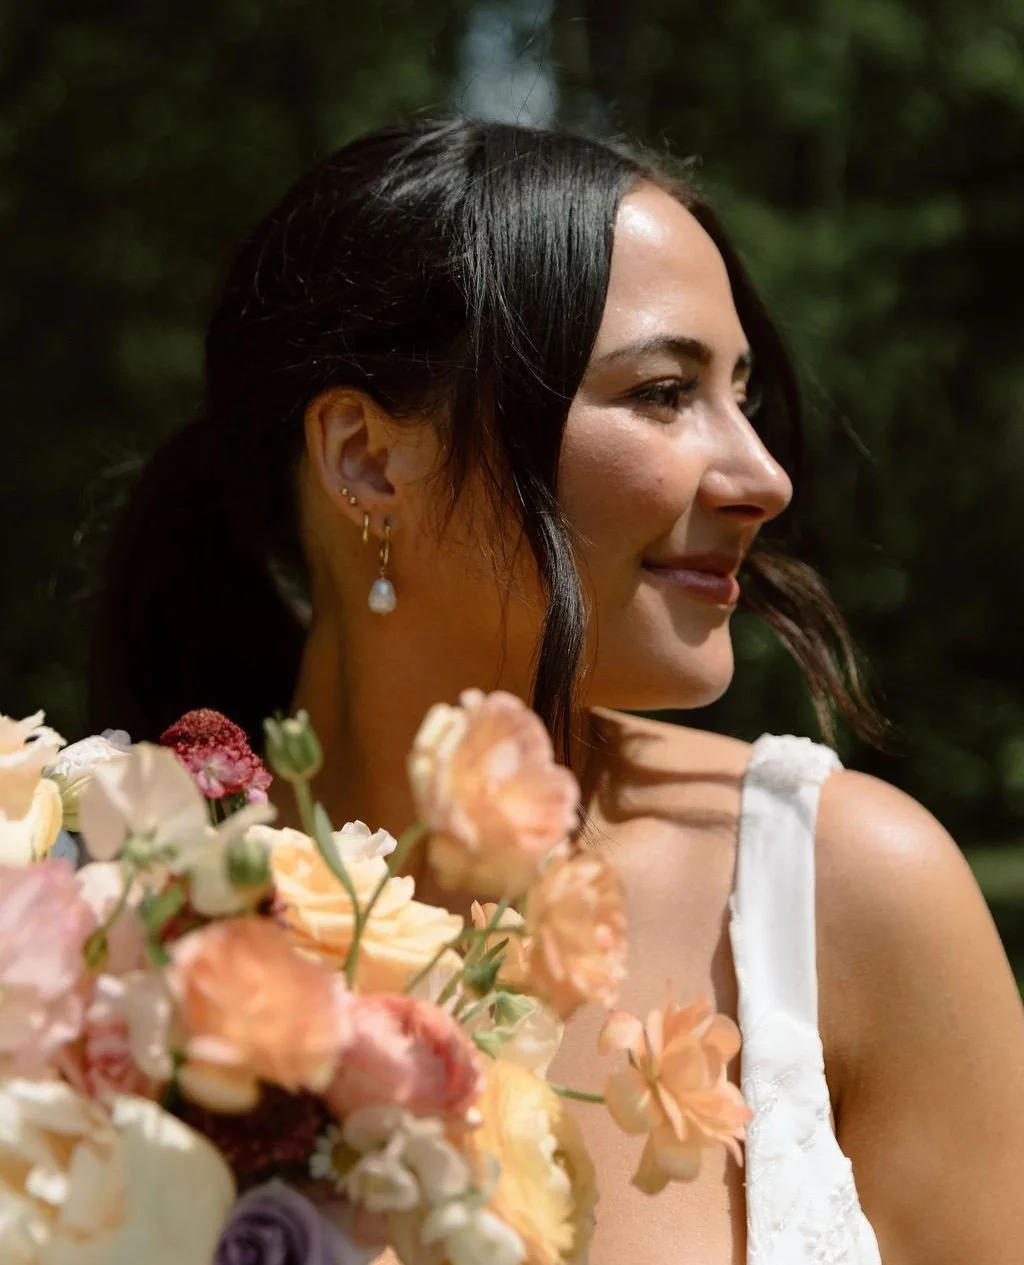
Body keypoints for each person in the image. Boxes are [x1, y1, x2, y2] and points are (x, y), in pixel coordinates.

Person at [89, 118, 1024, 1264]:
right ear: (367, 460)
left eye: (744, 398)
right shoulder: (94, 926)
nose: (762, 480)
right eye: (665, 391)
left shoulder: (849, 895)